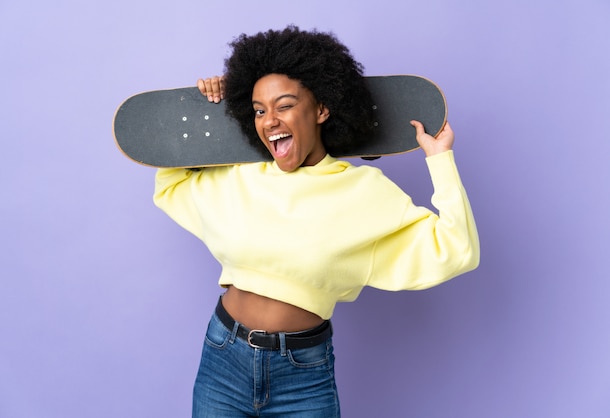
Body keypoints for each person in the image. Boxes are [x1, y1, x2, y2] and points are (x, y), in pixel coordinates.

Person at [153, 25, 479, 417]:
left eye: (284, 105)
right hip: (223, 357)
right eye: (259, 110)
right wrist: (211, 116)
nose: (269, 120)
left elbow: (457, 248)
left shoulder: (363, 193)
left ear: (321, 109)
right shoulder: (240, 176)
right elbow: (171, 181)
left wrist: (440, 159)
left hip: (303, 374)